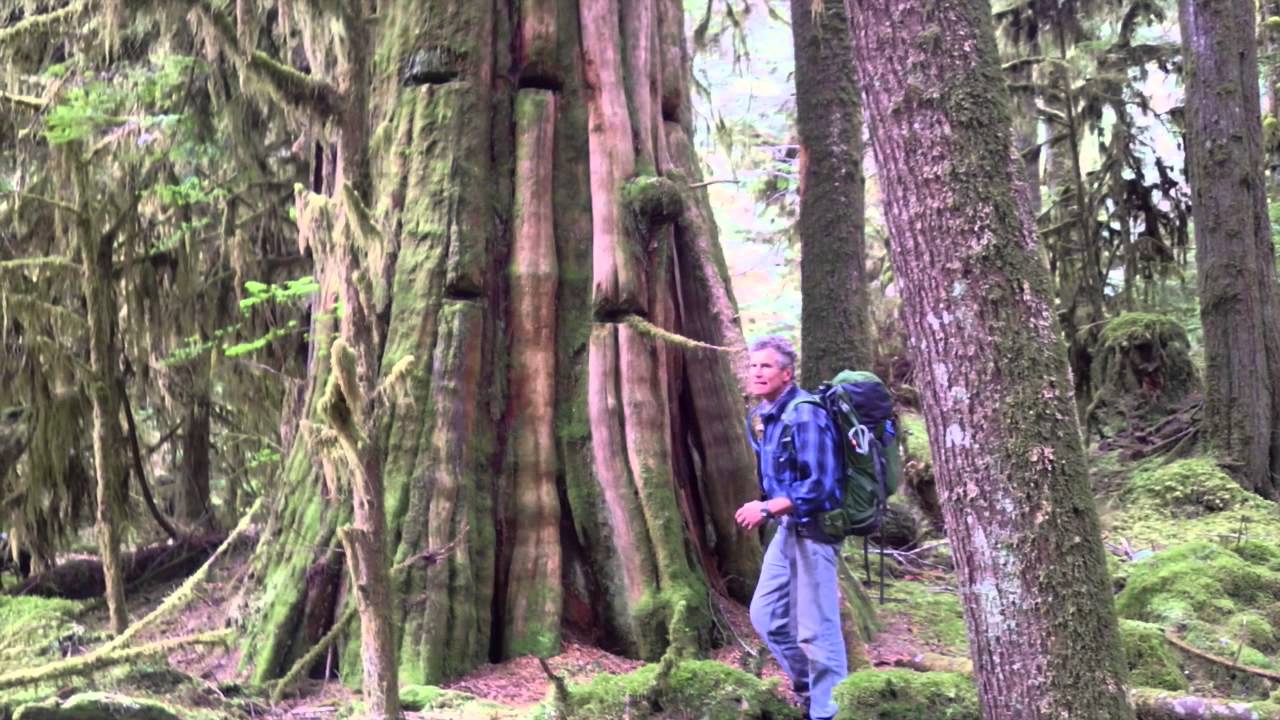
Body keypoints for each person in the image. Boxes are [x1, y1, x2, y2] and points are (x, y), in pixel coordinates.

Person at [735, 336, 847, 720]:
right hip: (787, 529)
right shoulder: (763, 417)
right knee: (765, 616)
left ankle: (828, 711)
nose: (757, 372)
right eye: (753, 366)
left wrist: (765, 507)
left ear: (787, 373)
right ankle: (809, 692)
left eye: (766, 366)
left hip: (815, 531)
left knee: (817, 629)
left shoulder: (805, 414)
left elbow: (821, 485)